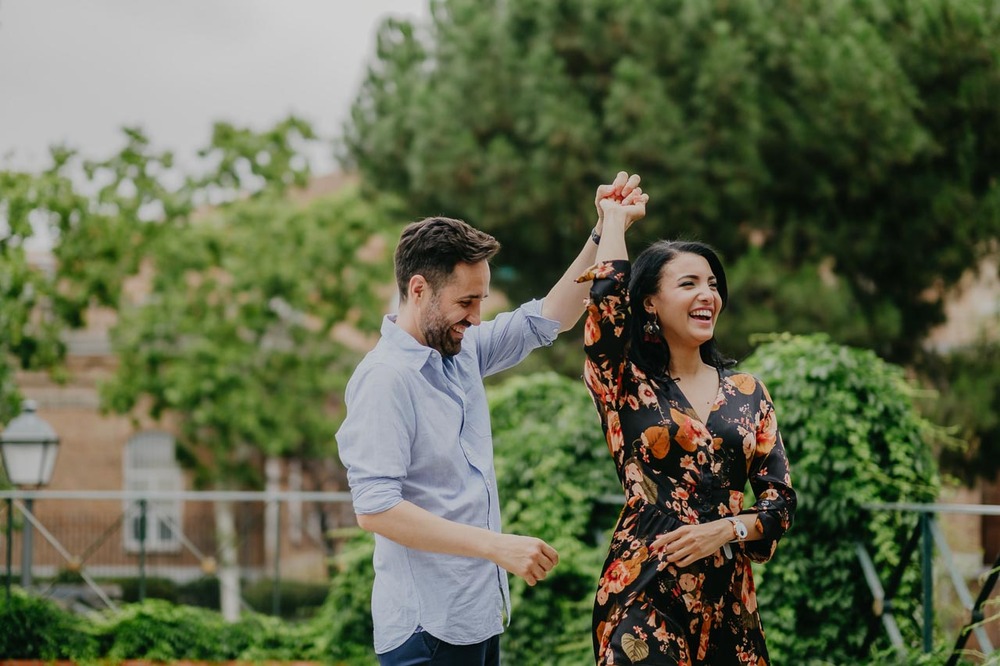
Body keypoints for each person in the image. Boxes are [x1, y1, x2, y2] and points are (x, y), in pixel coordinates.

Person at [336, 173, 649, 666]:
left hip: (476, 618)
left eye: (481, 301)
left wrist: (601, 231)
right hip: (426, 632)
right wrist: (496, 547)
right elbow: (374, 509)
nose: (478, 318)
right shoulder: (384, 379)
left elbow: (549, 318)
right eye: (466, 302)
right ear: (418, 290)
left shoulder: (459, 351)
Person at [578, 194, 797, 665]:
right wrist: (614, 220)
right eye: (689, 283)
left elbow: (780, 504)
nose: (708, 295)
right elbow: (607, 301)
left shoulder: (747, 392)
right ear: (651, 302)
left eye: (713, 285)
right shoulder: (622, 379)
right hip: (645, 586)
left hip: (728, 601)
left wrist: (725, 529)